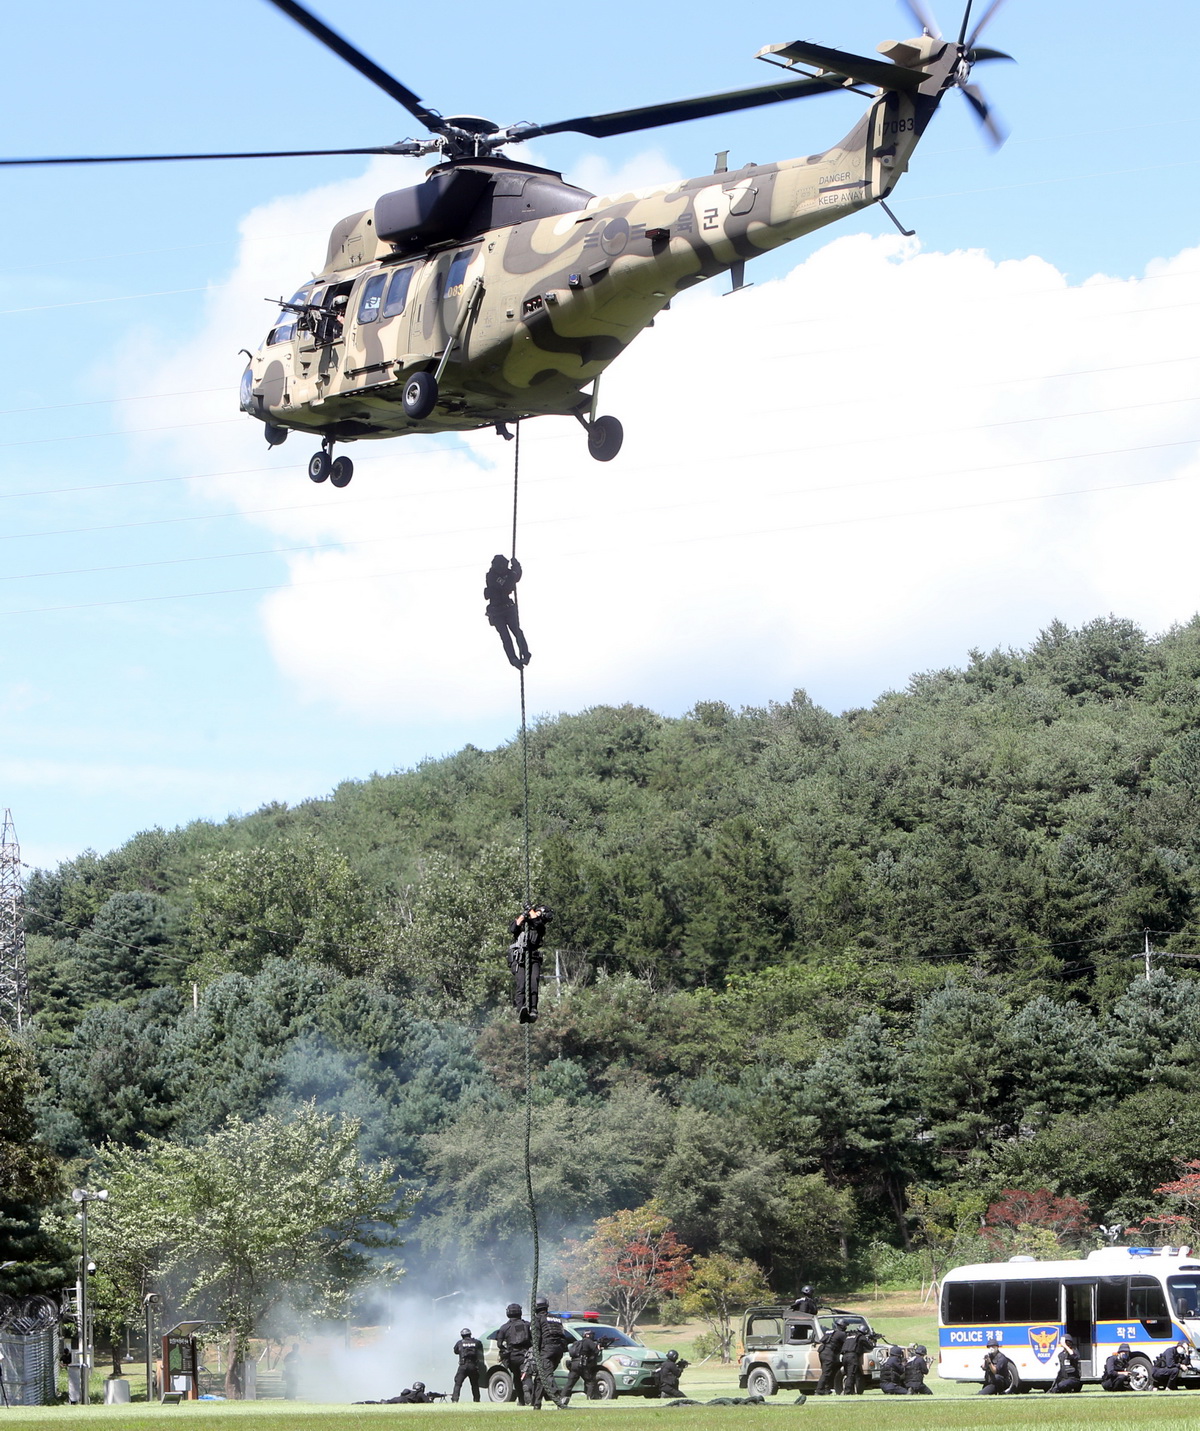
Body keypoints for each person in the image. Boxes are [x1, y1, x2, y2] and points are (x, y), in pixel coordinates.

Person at [485, 555, 531, 669]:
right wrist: (513, 573)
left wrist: (517, 566)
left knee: (517, 632)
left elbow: (516, 577)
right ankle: (513, 659)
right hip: (497, 611)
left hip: (508, 608)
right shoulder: (491, 576)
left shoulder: (508, 574)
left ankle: (525, 654)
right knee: (506, 637)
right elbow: (506, 585)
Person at [508, 904, 552, 1023]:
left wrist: (531, 911)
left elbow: (537, 922)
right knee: (521, 984)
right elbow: (513, 928)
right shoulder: (523, 923)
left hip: (533, 959)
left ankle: (533, 1009)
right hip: (520, 959)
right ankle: (521, 1008)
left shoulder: (540, 927)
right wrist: (524, 914)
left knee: (533, 983)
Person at [526, 1297, 569, 1409]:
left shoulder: (537, 1319)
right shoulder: (556, 1318)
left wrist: (536, 1351)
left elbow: (537, 1338)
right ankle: (536, 1404)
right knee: (541, 1377)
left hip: (547, 1349)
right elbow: (563, 1334)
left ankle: (559, 1399)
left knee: (546, 1374)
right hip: (559, 1349)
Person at [496, 1302, 533, 1405]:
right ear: (520, 1312)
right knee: (526, 1376)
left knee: (516, 1377)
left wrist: (505, 1351)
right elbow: (534, 1339)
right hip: (525, 1355)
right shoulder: (527, 1325)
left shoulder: (504, 1327)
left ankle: (521, 1401)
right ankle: (530, 1395)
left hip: (512, 1356)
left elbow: (499, 1344)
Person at [562, 1328, 602, 1401]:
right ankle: (590, 1397)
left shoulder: (578, 1342)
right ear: (587, 1335)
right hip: (582, 1365)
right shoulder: (588, 1341)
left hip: (573, 1364)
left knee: (570, 1383)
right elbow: (596, 1351)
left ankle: (562, 1397)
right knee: (589, 1381)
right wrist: (598, 1347)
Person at [452, 1327, 485, 1403]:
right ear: (470, 1334)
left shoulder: (459, 1343)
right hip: (473, 1366)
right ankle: (477, 1400)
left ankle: (455, 1400)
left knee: (458, 1383)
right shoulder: (477, 1342)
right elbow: (480, 1349)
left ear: (462, 1335)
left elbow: (456, 1351)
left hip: (463, 1366)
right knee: (474, 1384)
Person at [814, 1320, 846, 1395]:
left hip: (822, 1352)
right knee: (826, 1373)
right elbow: (847, 1342)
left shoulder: (830, 1332)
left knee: (827, 1371)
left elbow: (822, 1340)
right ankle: (819, 1390)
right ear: (842, 1326)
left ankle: (826, 1389)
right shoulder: (841, 1334)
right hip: (829, 1353)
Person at [840, 1324, 870, 1396]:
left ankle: (850, 1390)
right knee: (851, 1374)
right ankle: (848, 1392)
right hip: (852, 1356)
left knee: (848, 1374)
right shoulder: (860, 1337)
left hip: (844, 1357)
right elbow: (869, 1346)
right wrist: (870, 1340)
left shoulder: (849, 1336)